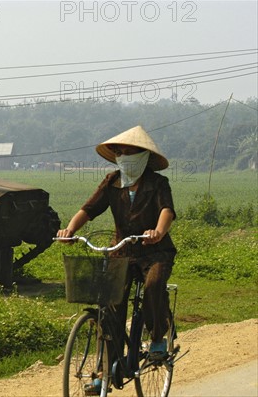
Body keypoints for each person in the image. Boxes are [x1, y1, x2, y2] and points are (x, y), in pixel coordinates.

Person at [56, 125, 176, 361]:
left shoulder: (158, 183)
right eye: (119, 153)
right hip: (121, 250)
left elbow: (167, 210)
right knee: (111, 302)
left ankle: (157, 338)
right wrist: (70, 229)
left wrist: (158, 232)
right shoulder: (112, 182)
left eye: (128, 152)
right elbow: (89, 209)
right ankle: (108, 366)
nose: (123, 157)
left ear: (143, 157)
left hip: (155, 252)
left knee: (153, 286)